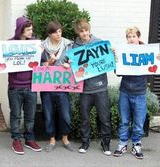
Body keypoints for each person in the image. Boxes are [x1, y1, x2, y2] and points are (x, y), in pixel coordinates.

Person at [113, 27, 160, 159]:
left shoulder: (147, 51)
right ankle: (122, 144)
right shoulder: (123, 51)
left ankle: (136, 144)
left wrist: (159, 60)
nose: (131, 39)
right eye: (128, 37)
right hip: (125, 91)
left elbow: (155, 69)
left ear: (138, 38)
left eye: (133, 36)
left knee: (139, 122)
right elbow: (117, 73)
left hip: (140, 93)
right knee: (124, 121)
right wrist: (116, 62)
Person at [71, 19, 112, 155]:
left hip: (100, 87)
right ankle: (85, 142)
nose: (84, 33)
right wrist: (68, 63)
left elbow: (107, 62)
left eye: (86, 30)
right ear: (77, 32)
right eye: (81, 31)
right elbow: (71, 65)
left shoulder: (99, 43)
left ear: (89, 30)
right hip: (84, 89)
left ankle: (105, 143)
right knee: (85, 119)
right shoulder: (74, 47)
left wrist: (111, 55)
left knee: (104, 118)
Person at [8, 16, 42, 155]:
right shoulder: (9, 43)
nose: (31, 32)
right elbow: (3, 62)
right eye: (28, 29)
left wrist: (42, 55)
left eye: (31, 29)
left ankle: (29, 139)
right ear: (21, 30)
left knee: (30, 115)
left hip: (31, 86)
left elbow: (43, 61)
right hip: (15, 86)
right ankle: (16, 140)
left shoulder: (34, 43)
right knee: (15, 115)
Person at [41, 21, 75, 152]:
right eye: (55, 32)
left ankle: (65, 138)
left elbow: (74, 62)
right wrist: (49, 62)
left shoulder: (68, 45)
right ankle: (52, 139)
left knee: (65, 114)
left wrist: (69, 65)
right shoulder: (42, 47)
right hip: (47, 86)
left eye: (60, 31)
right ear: (49, 34)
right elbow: (38, 66)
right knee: (48, 114)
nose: (59, 34)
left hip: (63, 86)